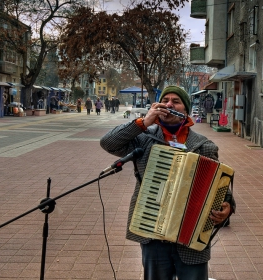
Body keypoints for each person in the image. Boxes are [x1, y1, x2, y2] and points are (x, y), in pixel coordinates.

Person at [100, 85, 236, 280]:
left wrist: (228, 207)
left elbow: (219, 187)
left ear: (186, 110)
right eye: (164, 101)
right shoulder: (143, 138)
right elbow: (108, 143)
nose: (168, 104)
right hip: (151, 229)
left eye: (175, 101)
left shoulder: (204, 146)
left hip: (191, 236)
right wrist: (143, 122)